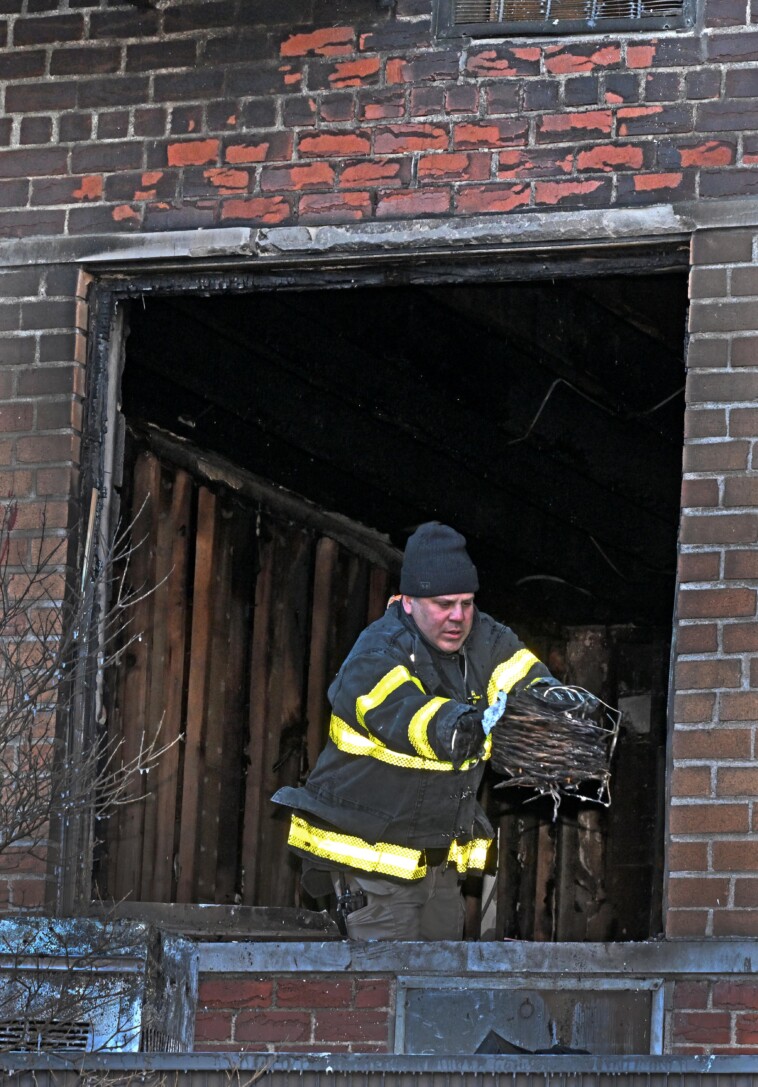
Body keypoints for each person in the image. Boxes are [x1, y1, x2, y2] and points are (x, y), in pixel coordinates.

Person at [272, 521, 564, 940]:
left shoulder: (485, 638)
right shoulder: (377, 652)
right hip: (370, 864)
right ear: (408, 601)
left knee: (438, 988)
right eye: (444, 604)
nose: (458, 617)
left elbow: (528, 680)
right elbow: (406, 715)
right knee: (385, 992)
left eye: (466, 602)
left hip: (433, 865)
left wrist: (556, 709)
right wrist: (463, 727)